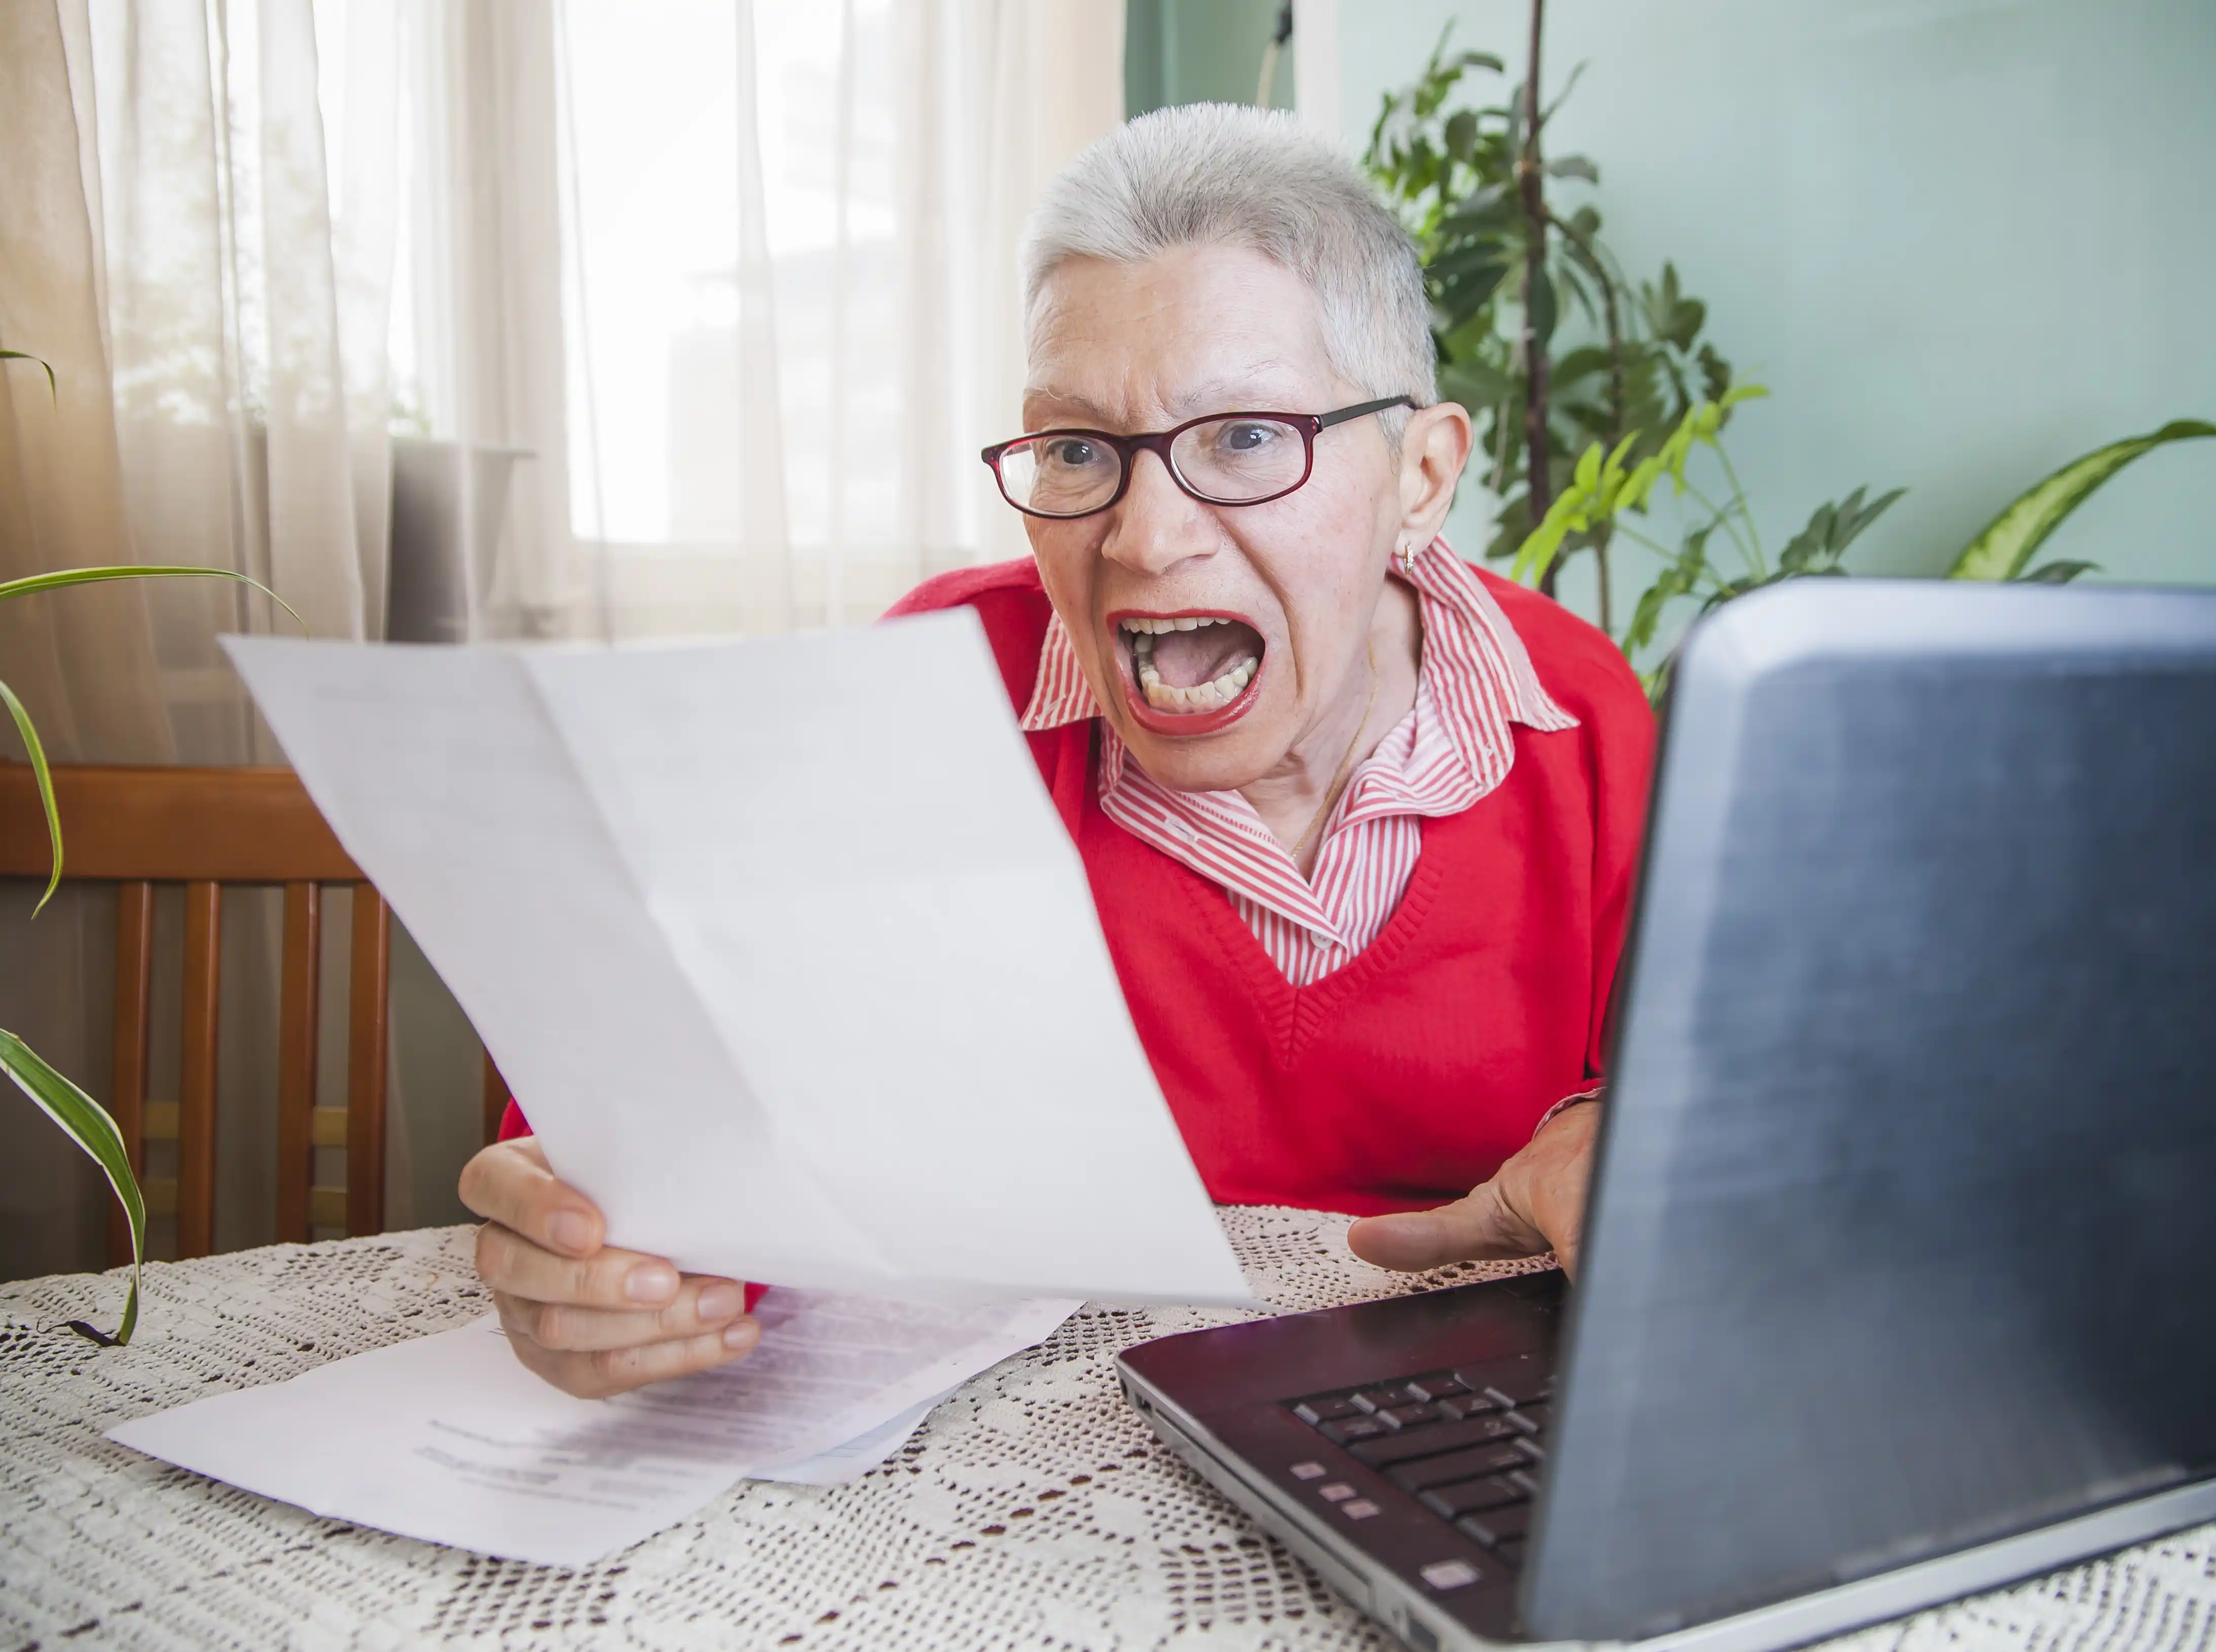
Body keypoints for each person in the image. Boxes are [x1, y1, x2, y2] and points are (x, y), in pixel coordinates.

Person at [459, 104, 1655, 1398]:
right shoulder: (936, 688)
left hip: (1422, 1427)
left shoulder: (1581, 721)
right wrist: (611, 1253)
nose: (1144, 540)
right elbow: (679, 1112)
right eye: (1079, 449)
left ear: (1418, 478)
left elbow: (1686, 1130)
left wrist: (1630, 1152)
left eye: (1245, 437)